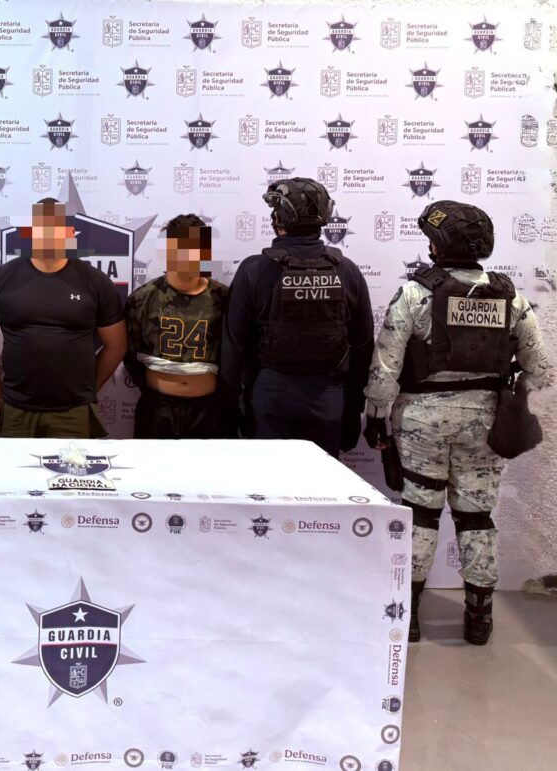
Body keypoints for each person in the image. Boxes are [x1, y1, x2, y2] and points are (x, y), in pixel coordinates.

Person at [362, 200, 551, 645]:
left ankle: (408, 616)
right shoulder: (511, 297)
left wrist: (375, 418)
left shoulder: (416, 294)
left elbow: (386, 368)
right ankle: (480, 618)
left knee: (421, 512)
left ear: (438, 246)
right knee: (476, 517)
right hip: (484, 423)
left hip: (422, 421)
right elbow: (541, 370)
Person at [218, 177, 374, 456]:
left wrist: (229, 409)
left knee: (270, 479)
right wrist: (353, 409)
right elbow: (363, 348)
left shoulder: (254, 270)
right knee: (321, 482)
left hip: (271, 394)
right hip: (327, 396)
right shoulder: (348, 271)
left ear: (278, 218)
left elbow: (233, 346)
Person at [0, 197, 126, 438]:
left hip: (74, 410)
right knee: (16, 464)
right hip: (16, 408)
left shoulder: (95, 282)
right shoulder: (0, 280)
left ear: (70, 232)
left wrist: (88, 391)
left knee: (71, 465)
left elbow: (117, 345)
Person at [124, 214, 229, 438]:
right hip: (157, 408)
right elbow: (130, 354)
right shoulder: (142, 298)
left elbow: (235, 353)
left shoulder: (225, 298)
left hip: (208, 409)